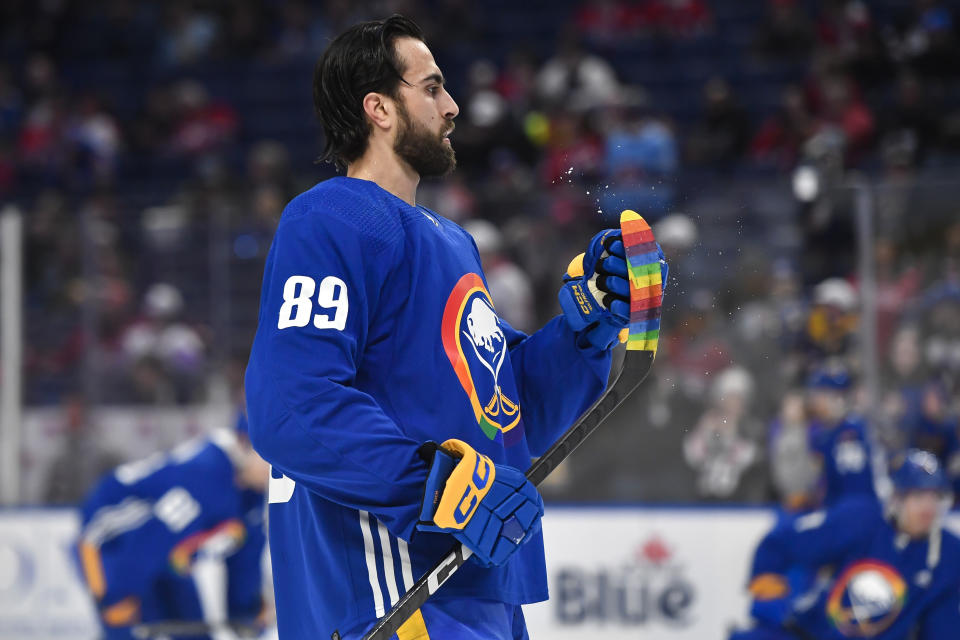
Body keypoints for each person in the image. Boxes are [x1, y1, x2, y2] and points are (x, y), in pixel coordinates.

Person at [244, 14, 665, 640]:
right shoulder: (331, 218)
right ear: (379, 109)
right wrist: (437, 485)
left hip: (476, 585)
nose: (453, 106)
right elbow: (292, 405)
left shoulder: (451, 241)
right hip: (394, 588)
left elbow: (502, 409)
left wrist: (588, 325)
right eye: (433, 87)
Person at [75, 413, 271, 640]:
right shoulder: (204, 476)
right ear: (244, 444)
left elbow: (244, 554)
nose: (278, 467)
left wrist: (246, 612)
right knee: (124, 624)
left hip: (165, 555)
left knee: (192, 632)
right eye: (270, 455)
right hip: (111, 544)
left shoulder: (253, 491)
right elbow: (150, 538)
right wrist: (118, 595)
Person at [733, 449, 960, 640]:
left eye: (935, 497)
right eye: (919, 497)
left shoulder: (948, 554)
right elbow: (783, 543)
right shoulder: (860, 520)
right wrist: (767, 579)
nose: (929, 508)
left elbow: (942, 626)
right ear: (896, 499)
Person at [805, 364, 878, 506]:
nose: (815, 401)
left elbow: (855, 491)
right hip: (835, 508)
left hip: (854, 513)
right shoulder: (823, 433)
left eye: (821, 395)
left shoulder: (852, 433)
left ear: (837, 398)